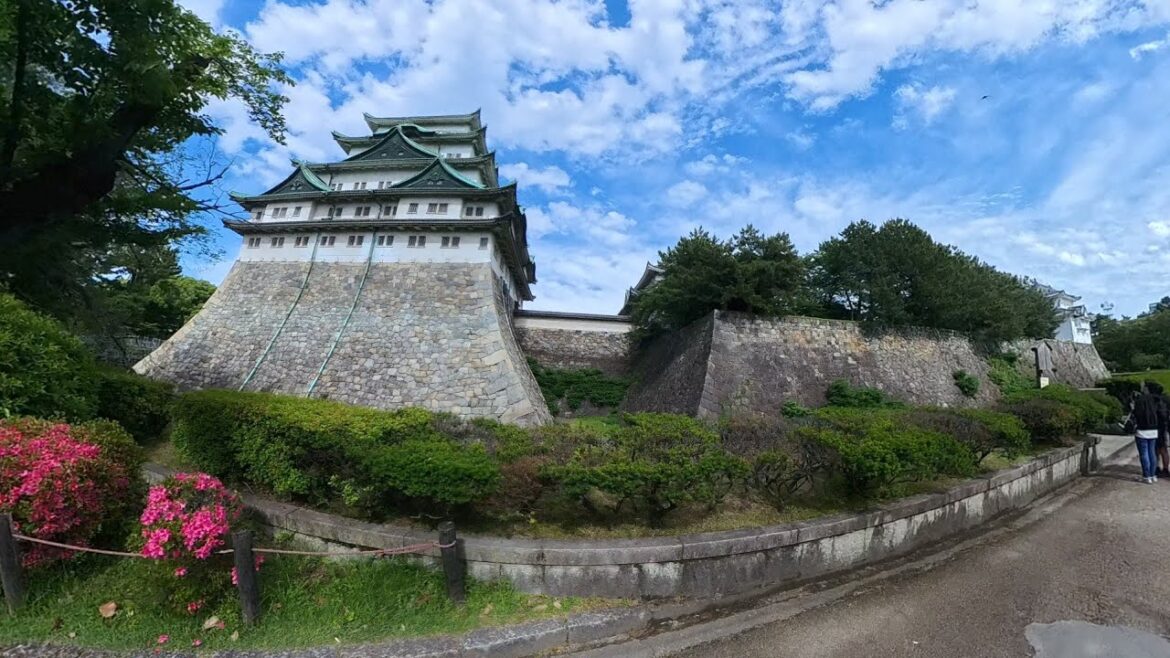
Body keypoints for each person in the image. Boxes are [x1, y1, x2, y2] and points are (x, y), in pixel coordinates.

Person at [1131, 381, 1165, 484]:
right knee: (1152, 453)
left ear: (1146, 388)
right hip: (1154, 429)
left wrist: (1132, 408)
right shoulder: (1156, 399)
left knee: (1144, 453)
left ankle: (1146, 476)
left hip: (1142, 429)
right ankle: (1153, 475)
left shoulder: (1140, 400)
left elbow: (1137, 414)